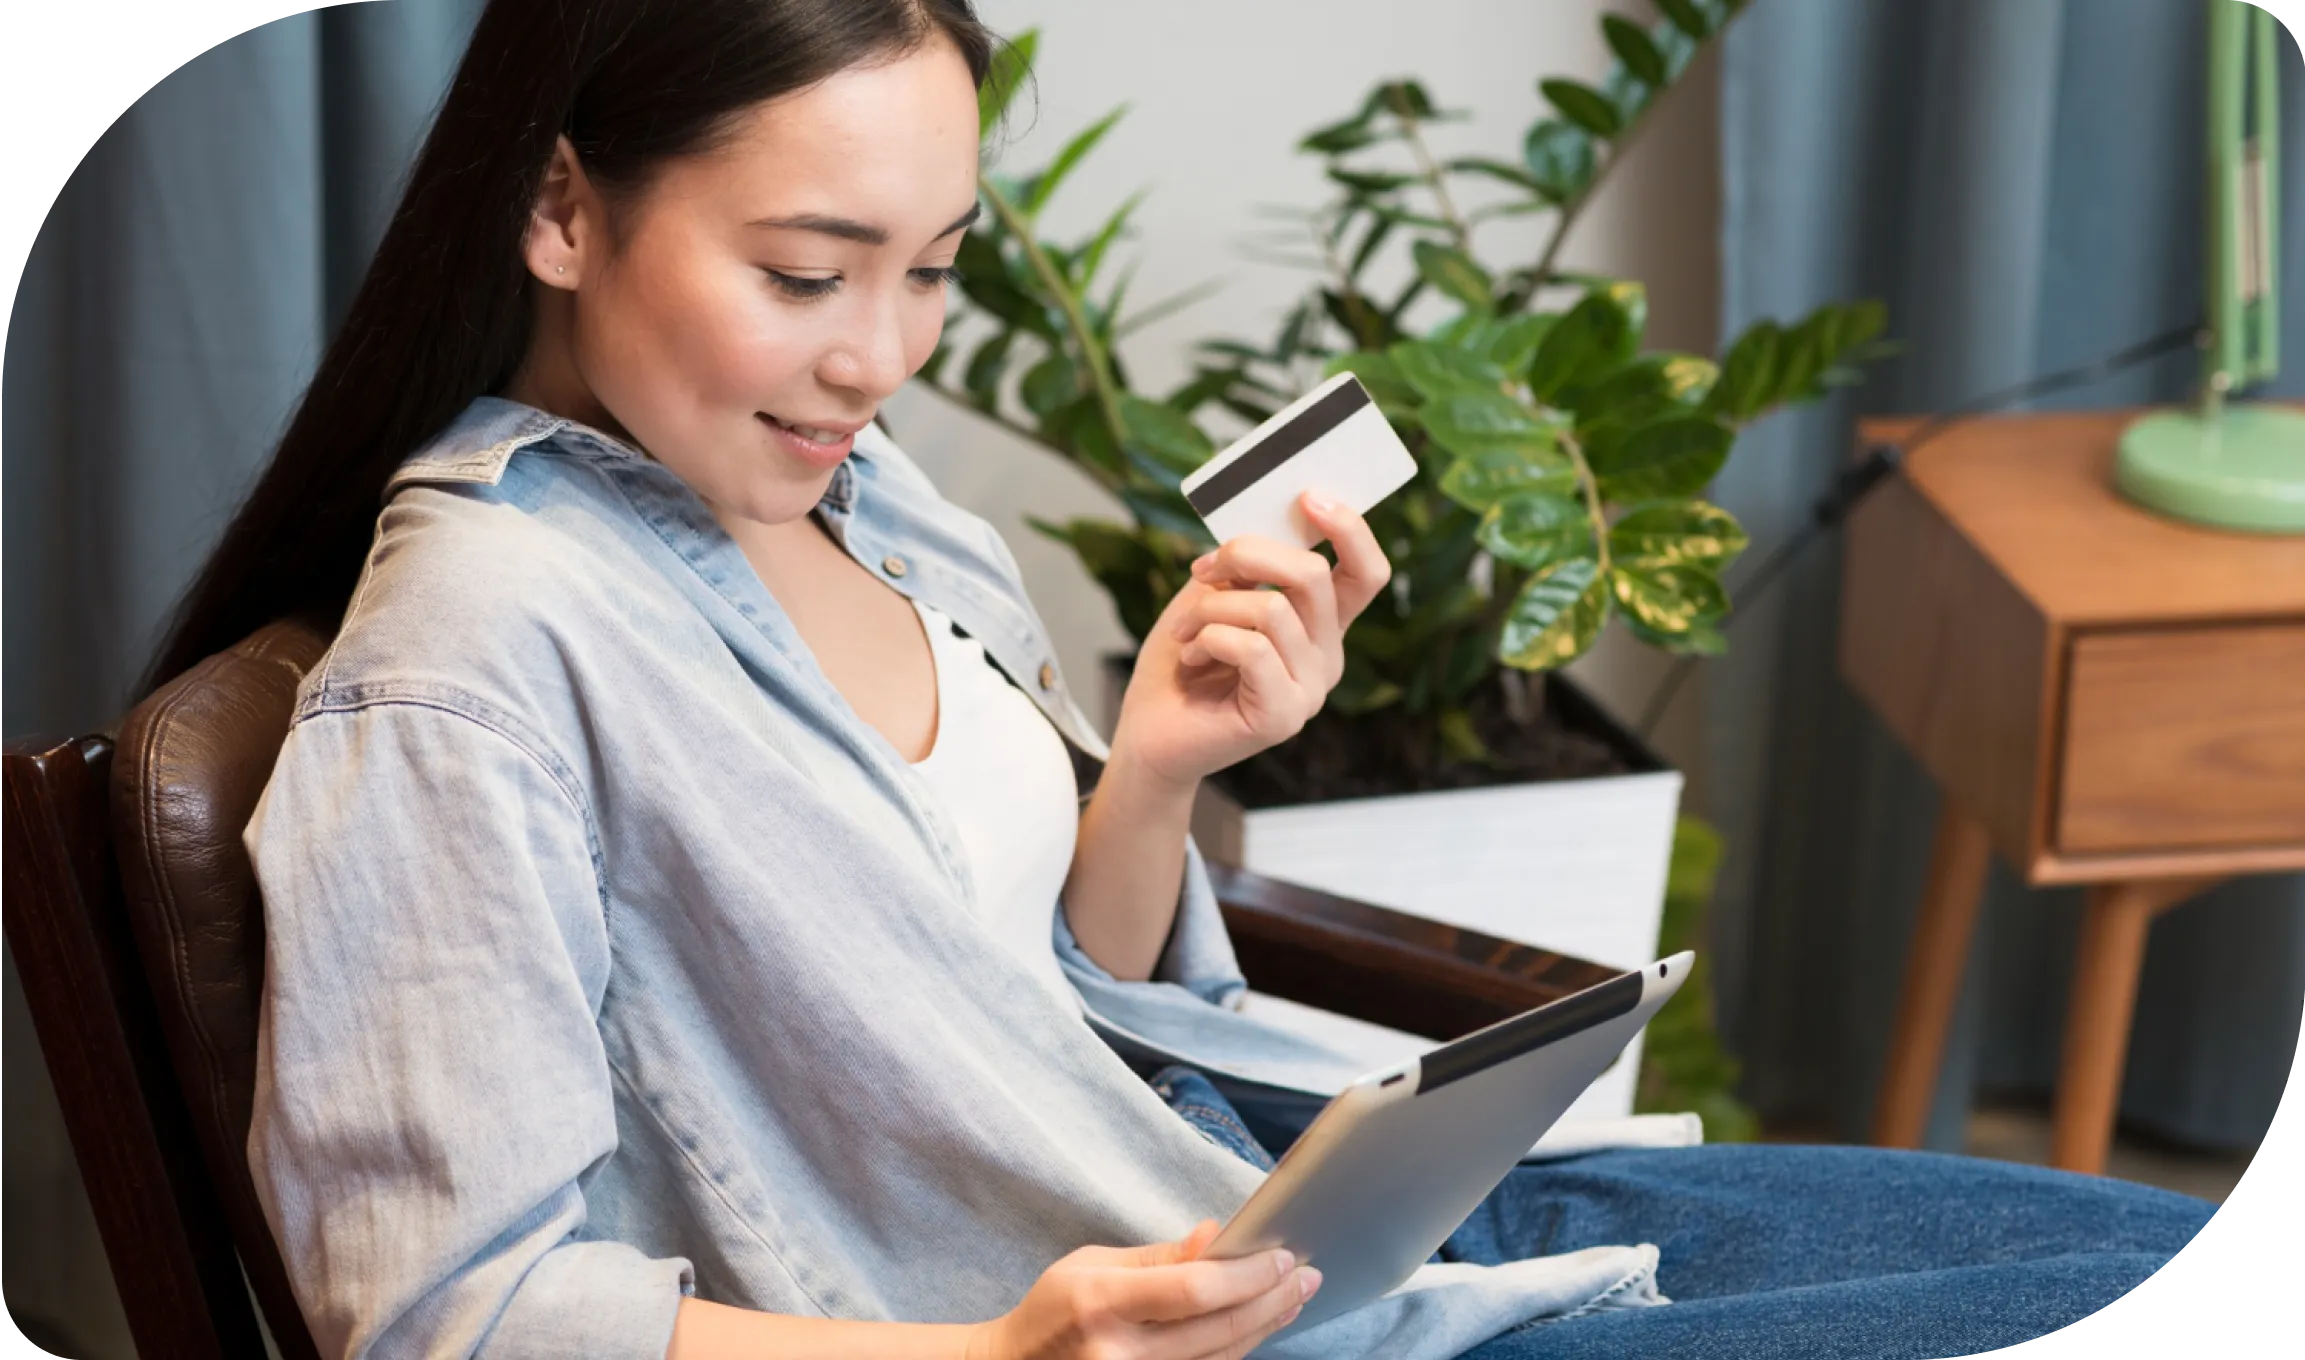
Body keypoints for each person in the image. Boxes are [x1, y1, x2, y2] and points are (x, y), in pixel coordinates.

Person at [142, 1, 2217, 1356]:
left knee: (2116, 1235)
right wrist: (1005, 1347)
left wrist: (1147, 777)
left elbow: (1023, 1002)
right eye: (806, 272)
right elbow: (445, 1310)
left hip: (1252, 1218)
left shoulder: (864, 496)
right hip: (1142, 1320)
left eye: (936, 266)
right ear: (560, 207)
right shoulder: (478, 659)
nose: (883, 354)